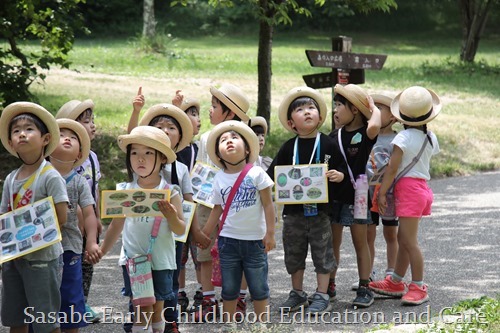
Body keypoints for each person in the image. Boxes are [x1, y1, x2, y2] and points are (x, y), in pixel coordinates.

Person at [132, 101, 209, 332]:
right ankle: (136, 321)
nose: (165, 131)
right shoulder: (139, 161)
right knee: (138, 279)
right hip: (142, 234)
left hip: (173, 233)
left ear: (180, 136)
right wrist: (136, 112)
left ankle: (169, 320)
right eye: (159, 127)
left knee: (170, 278)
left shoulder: (181, 169)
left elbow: (189, 201)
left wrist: (195, 231)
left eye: (171, 127)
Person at [267, 86, 345, 314]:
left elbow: (341, 170)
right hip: (292, 214)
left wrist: (338, 175)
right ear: (291, 123)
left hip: (321, 213)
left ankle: (322, 294)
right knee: (294, 252)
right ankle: (298, 293)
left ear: (320, 117)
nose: (307, 112)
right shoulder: (288, 147)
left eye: (312, 108)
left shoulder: (329, 144)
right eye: (300, 110)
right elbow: (273, 174)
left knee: (323, 252)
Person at [100, 126, 185, 333]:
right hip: (134, 261)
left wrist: (171, 215)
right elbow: (116, 224)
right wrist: (102, 250)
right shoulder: (124, 191)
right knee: (141, 309)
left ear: (162, 158)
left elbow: (180, 229)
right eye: (135, 152)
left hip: (163, 261)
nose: (140, 159)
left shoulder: (170, 192)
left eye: (148, 153)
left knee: (157, 309)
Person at [0, 102, 68, 333]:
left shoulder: (51, 176)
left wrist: (35, 235)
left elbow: (62, 216)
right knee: (15, 317)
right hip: (13, 258)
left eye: (29, 129)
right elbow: (4, 215)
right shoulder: (11, 178)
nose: (22, 134)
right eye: (16, 131)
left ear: (46, 138)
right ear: (10, 142)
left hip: (42, 258)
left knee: (45, 319)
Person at [369, 86, 441, 305]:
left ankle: (418, 285)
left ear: (401, 116)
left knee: (409, 241)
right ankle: (397, 281)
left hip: (408, 191)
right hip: (421, 189)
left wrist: (382, 193)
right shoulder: (430, 136)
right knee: (402, 238)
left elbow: (392, 168)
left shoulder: (402, 138)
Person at [202, 120, 276, 331]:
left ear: (247, 148)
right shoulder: (219, 178)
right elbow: (217, 209)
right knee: (229, 288)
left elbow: (269, 205)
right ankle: (229, 324)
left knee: (259, 286)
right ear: (218, 154)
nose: (229, 141)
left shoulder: (257, 173)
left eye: (235, 138)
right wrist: (205, 234)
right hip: (228, 241)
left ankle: (262, 324)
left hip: (255, 241)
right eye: (223, 140)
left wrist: (270, 233)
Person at [194, 83, 252, 322]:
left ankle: (238, 299)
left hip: (238, 205)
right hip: (207, 203)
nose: (210, 110)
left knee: (241, 250)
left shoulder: (245, 139)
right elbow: (198, 170)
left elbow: (252, 170)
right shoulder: (206, 138)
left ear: (229, 112)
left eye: (215, 106)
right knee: (205, 249)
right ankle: (208, 299)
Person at [329, 83, 382, 308]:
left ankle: (364, 286)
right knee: (333, 243)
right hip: (334, 196)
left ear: (355, 111)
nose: (335, 110)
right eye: (335, 105)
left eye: (340, 105)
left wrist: (373, 109)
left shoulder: (365, 133)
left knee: (361, 242)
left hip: (359, 192)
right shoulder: (334, 135)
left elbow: (375, 124)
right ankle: (329, 284)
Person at [49, 119, 101, 332]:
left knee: (71, 297)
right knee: (42, 298)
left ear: (80, 155)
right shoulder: (41, 176)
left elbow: (89, 213)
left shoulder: (79, 181)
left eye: (73, 137)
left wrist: (91, 241)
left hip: (71, 248)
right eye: (61, 135)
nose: (67, 138)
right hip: (42, 250)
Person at [171, 90, 205, 313]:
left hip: (198, 206)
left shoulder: (200, 148)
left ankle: (203, 291)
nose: (198, 119)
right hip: (176, 209)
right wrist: (173, 107)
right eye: (192, 114)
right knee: (178, 256)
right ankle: (179, 293)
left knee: (199, 254)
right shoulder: (172, 150)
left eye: (199, 115)